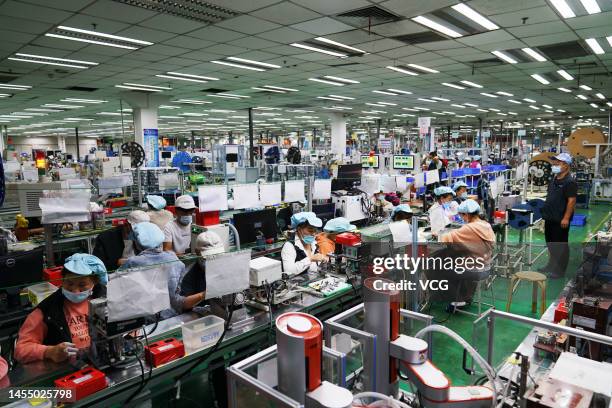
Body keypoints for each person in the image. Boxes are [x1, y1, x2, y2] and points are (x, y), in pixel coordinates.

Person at [15, 254, 107, 363]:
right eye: (69, 283)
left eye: (82, 285)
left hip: (102, 360)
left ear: (94, 283)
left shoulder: (103, 299)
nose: (75, 290)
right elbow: (20, 350)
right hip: (67, 370)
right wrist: (49, 351)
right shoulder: (47, 310)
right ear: (62, 280)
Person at [119, 222, 186, 319]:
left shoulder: (132, 262)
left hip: (142, 318)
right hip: (171, 315)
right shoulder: (173, 259)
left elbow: (120, 290)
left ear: (137, 244)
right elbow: (177, 292)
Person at [438, 199, 495, 306]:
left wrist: (436, 234)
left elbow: (446, 239)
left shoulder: (469, 228)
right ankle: (467, 296)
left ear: (467, 214)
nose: (461, 218)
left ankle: (458, 300)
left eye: (461, 216)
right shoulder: (486, 225)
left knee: (442, 270)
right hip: (486, 267)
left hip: (473, 270)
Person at [540, 153, 577, 279]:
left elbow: (571, 201)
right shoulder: (554, 179)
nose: (555, 164)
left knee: (560, 245)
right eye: (554, 162)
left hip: (561, 219)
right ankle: (551, 265)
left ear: (566, 165)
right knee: (550, 243)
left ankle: (559, 271)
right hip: (550, 216)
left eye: (558, 163)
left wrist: (566, 218)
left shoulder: (569, 182)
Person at [178, 231, 225, 308]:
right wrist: (205, 294)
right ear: (197, 252)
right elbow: (183, 304)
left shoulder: (227, 265)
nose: (213, 259)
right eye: (208, 256)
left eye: (217, 255)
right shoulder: (190, 274)